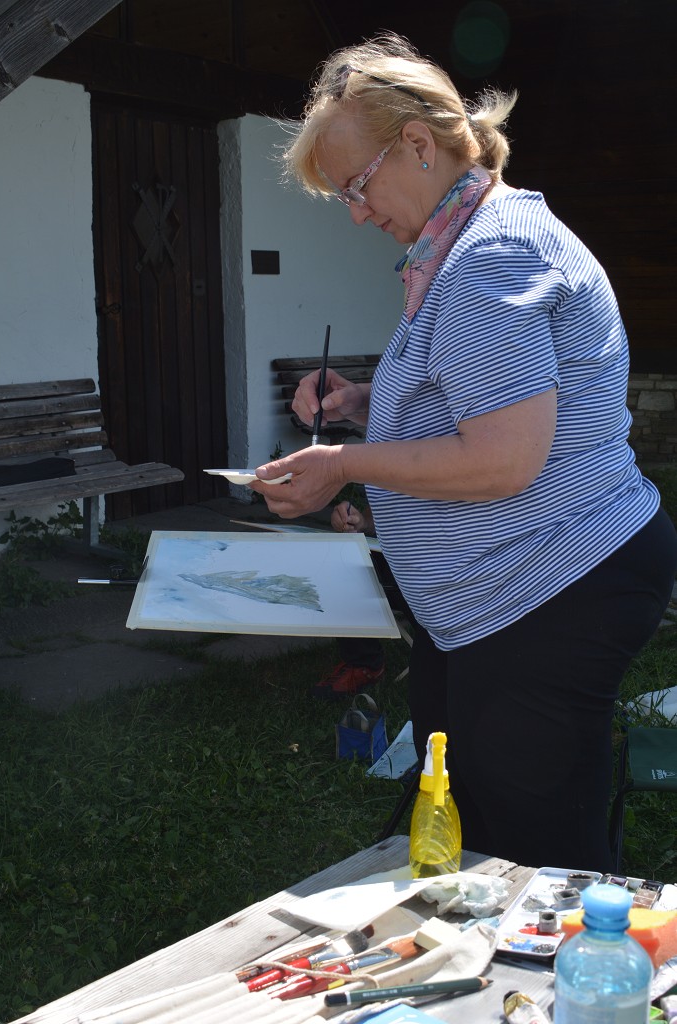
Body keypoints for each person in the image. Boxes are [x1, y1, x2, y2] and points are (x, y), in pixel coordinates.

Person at [250, 33, 677, 871]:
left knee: (538, 859)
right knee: (469, 818)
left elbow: (502, 460)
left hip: (548, 589)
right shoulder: (467, 242)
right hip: (508, 594)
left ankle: (569, 955)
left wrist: (342, 466)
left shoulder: (489, 257)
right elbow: (482, 397)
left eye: (357, 186)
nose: (357, 213)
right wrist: (365, 403)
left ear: (419, 143)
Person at [313, 499, 416, 699]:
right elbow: (384, 505)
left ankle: (443, 651)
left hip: (446, 574)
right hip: (395, 564)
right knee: (342, 560)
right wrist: (360, 521)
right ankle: (363, 663)